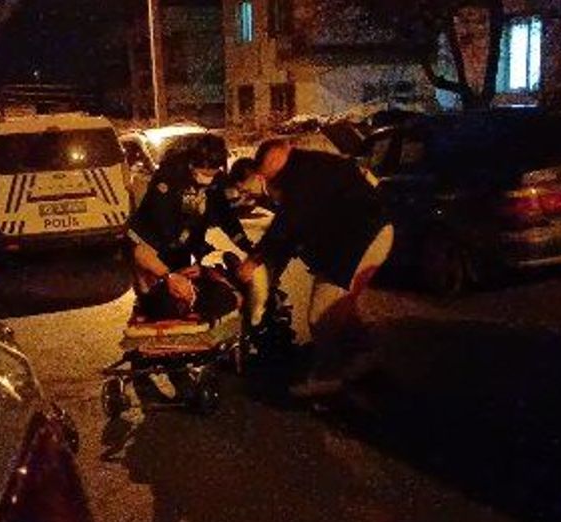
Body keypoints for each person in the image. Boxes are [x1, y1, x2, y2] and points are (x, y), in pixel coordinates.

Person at [234, 138, 394, 398]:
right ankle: (365, 357)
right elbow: (292, 231)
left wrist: (254, 260)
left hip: (360, 241)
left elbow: (288, 224)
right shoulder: (302, 171)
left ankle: (328, 378)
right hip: (352, 241)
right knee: (340, 309)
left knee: (321, 315)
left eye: (269, 169)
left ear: (283, 153)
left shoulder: (305, 173)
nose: (266, 178)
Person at [125, 145, 249, 322]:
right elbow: (141, 249)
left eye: (213, 173)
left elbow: (225, 218)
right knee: (160, 302)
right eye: (204, 173)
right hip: (155, 256)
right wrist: (168, 275)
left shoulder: (212, 184)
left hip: (178, 259)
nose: (207, 179)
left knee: (204, 290)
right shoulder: (167, 184)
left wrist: (246, 247)